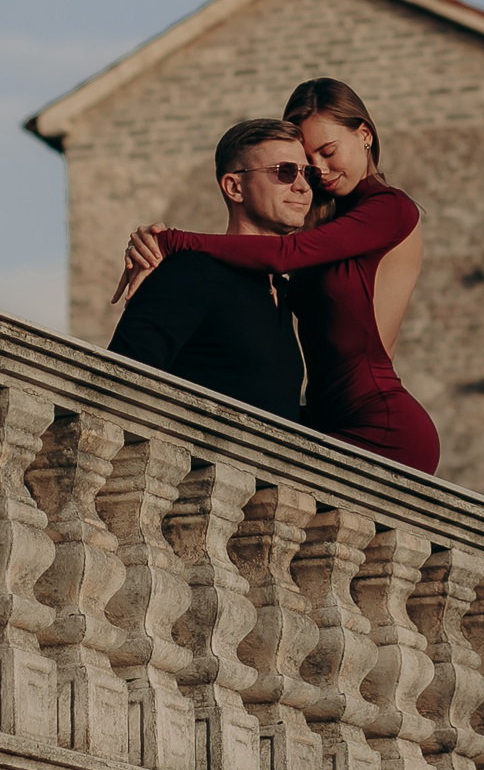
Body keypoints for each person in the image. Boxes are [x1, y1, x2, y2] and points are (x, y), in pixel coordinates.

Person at [116, 79, 436, 474]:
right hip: (323, 420)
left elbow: (286, 254)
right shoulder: (323, 226)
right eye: (296, 166)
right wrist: (150, 241)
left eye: (327, 151)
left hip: (379, 425)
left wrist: (174, 240)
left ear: (365, 135)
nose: (317, 171)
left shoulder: (389, 207)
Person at [107, 118, 311, 421]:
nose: (302, 186)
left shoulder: (283, 290)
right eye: (285, 171)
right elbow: (117, 385)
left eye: (308, 173)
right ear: (234, 187)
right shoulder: (191, 271)